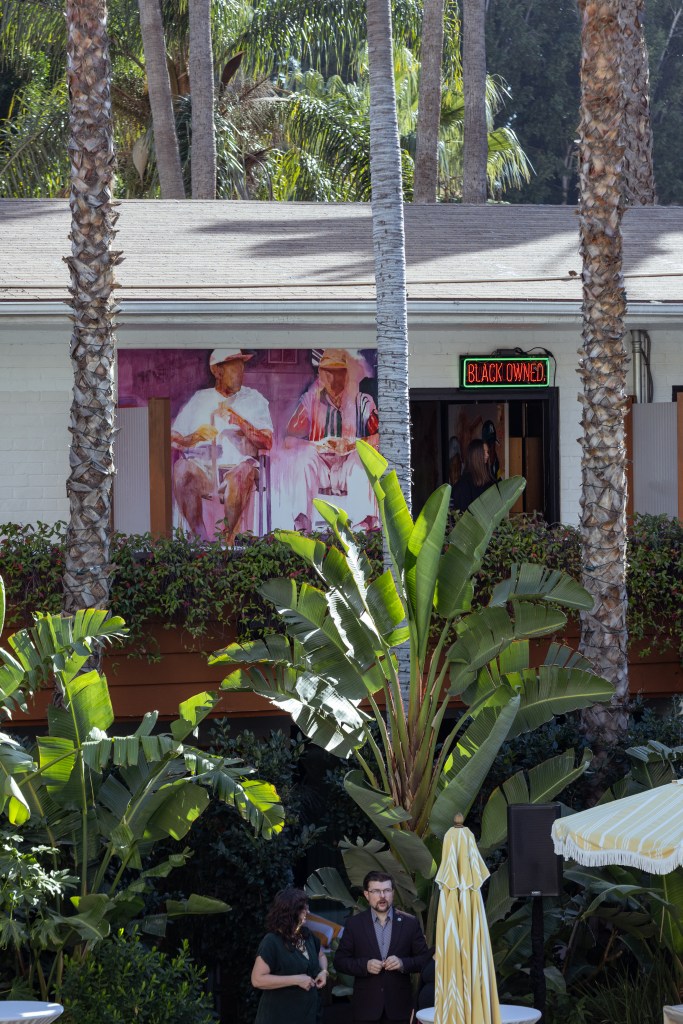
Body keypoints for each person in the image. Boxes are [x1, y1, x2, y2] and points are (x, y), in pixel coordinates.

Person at [171, 348, 272, 543]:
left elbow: (267, 442)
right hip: (205, 472)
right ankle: (201, 539)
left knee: (241, 474)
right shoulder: (200, 399)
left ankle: (226, 540)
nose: (240, 373)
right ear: (217, 371)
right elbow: (174, 437)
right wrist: (193, 437)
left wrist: (239, 421)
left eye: (242, 368)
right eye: (234, 369)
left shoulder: (254, 399)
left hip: (240, 469)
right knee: (181, 469)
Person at [283, 348, 379, 527]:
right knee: (304, 459)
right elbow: (289, 440)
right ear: (320, 374)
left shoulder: (362, 401)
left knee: (360, 459)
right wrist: (317, 445)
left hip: (348, 468)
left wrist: (353, 445)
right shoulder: (310, 401)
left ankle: (363, 526)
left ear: (347, 374)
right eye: (328, 372)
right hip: (322, 470)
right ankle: (302, 526)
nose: (333, 379)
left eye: (339, 372)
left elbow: (380, 437)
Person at [334, 871, 430, 1024]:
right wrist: (365, 965)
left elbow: (425, 960)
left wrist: (402, 963)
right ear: (367, 894)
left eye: (386, 890)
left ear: (393, 893)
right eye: (376, 891)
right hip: (366, 1009)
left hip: (399, 1008)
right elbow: (339, 961)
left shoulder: (410, 923)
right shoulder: (354, 924)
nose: (382, 896)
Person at [251, 888, 328, 1024]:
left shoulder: (307, 935)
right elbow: (257, 980)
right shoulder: (272, 941)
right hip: (279, 1016)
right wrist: (296, 980)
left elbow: (321, 956)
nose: (308, 912)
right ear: (290, 912)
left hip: (308, 1015)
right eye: (303, 909)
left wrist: (324, 971)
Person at [450, 438, 495, 513]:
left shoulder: (488, 479)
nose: (487, 455)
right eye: (484, 452)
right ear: (475, 455)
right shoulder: (464, 484)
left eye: (487, 452)